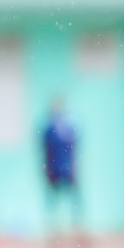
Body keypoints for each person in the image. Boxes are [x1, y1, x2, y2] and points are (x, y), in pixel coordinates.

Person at [41, 98, 81, 234]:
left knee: (74, 198)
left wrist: (75, 168)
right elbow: (44, 151)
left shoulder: (70, 128)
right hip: (53, 169)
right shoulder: (48, 129)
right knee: (53, 199)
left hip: (68, 168)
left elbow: (74, 150)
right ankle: (53, 227)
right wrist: (46, 170)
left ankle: (76, 226)